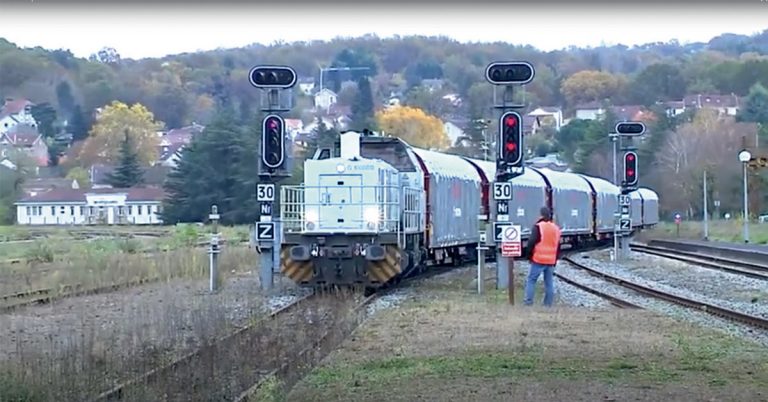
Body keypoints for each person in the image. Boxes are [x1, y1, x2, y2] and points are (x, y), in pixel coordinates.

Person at [523, 206, 562, 307]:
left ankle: (528, 302)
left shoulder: (538, 227)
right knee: (549, 283)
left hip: (538, 259)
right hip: (550, 260)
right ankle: (548, 304)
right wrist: (555, 260)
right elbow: (558, 246)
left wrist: (528, 255)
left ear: (541, 215)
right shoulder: (556, 228)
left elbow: (531, 241)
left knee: (531, 280)